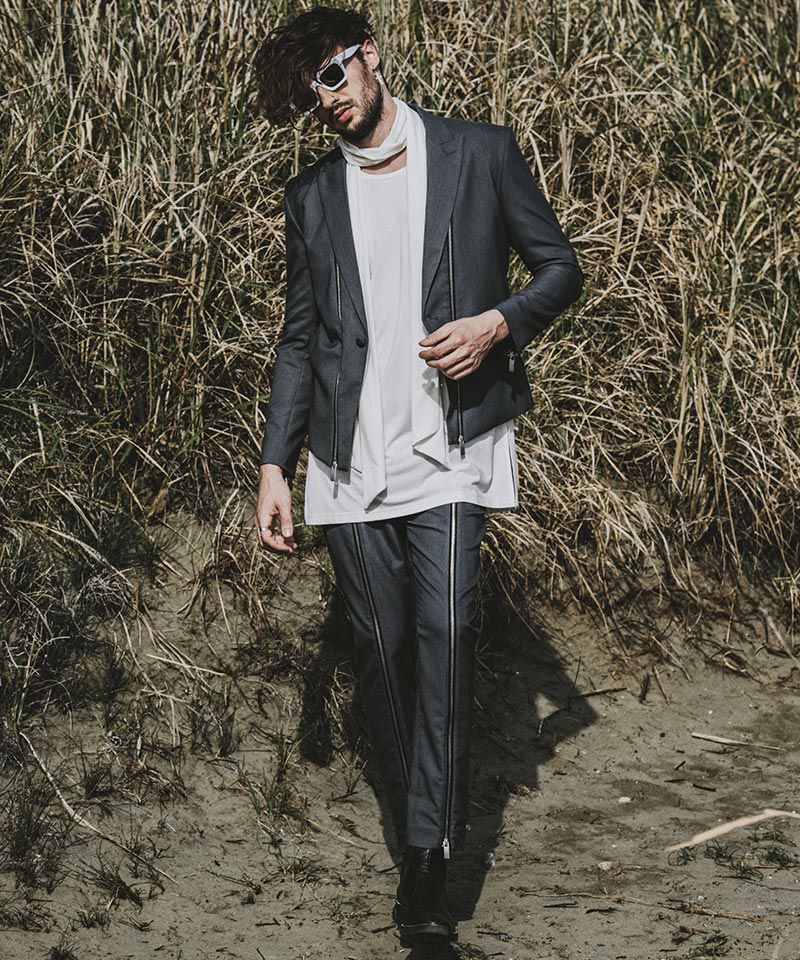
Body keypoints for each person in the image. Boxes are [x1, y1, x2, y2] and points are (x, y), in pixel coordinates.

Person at [252, 5, 584, 947]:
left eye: (332, 74)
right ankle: (417, 832)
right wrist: (275, 464)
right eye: (309, 92)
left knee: (447, 631)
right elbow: (300, 340)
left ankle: (430, 861)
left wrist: (497, 324)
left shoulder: (480, 153)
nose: (326, 99)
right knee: (381, 644)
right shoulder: (312, 195)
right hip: (349, 456)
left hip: (453, 448)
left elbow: (560, 269)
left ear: (370, 55)